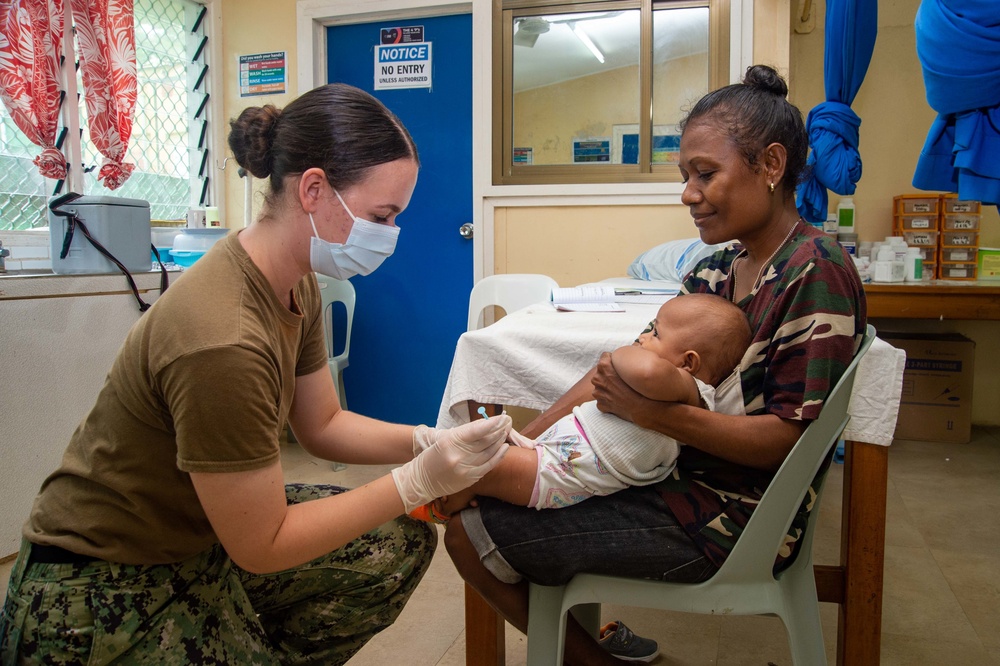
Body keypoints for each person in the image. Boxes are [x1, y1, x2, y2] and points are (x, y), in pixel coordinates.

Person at [0, 83, 513, 665]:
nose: (390, 235)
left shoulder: (295, 282)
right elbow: (262, 545)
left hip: (197, 536)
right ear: (314, 189)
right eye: (382, 216)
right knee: (380, 516)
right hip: (100, 589)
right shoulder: (224, 337)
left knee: (393, 542)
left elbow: (322, 424)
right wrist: (416, 481)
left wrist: (430, 439)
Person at [444, 64, 867, 665]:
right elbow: (610, 375)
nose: (688, 193)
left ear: (771, 166)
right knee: (490, 491)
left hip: (731, 519)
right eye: (684, 175)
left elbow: (783, 439)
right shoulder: (712, 272)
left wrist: (653, 414)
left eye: (705, 173)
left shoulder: (814, 272)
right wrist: (521, 443)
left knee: (469, 527)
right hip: (668, 478)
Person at [415, 294, 752, 522]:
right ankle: (452, 492)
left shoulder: (690, 389)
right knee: (474, 448)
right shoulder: (676, 381)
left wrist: (619, 352)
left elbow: (646, 370)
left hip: (562, 475)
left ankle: (443, 507)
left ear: (689, 362)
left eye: (655, 333)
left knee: (477, 467)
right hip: (558, 460)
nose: (643, 338)